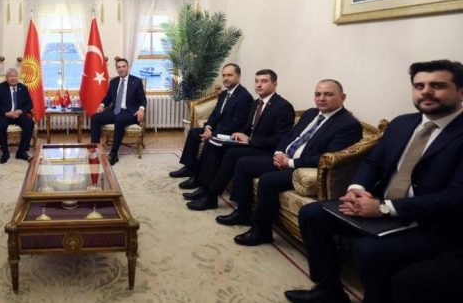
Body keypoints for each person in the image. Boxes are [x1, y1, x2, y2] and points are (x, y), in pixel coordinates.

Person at [285, 60, 463, 303]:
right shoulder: (402, 123)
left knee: (368, 250)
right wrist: (356, 189)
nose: (426, 91)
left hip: (430, 221)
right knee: (312, 214)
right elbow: (372, 163)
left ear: (460, 91)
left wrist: (384, 208)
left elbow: (455, 198)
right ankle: (329, 291)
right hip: (380, 203)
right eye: (419, 86)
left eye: (437, 85)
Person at [216, 79, 363, 247]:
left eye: (328, 94)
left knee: (268, 180)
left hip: (303, 168)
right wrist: (279, 152)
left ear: (342, 97)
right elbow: (289, 136)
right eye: (318, 94)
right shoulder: (311, 113)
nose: (322, 98)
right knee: (243, 163)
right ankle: (243, 212)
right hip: (285, 158)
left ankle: (262, 232)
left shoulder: (348, 125)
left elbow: (327, 157)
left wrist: (291, 163)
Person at [184, 69, 296, 210]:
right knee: (215, 144)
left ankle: (211, 196)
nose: (259, 85)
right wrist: (237, 134)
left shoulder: (283, 107)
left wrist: (250, 140)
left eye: (264, 81)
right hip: (251, 144)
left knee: (231, 154)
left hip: (266, 150)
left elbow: (280, 139)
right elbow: (247, 127)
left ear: (274, 84)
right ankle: (204, 187)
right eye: (256, 81)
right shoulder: (256, 103)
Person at [169, 63, 253, 179]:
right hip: (218, 130)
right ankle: (189, 168)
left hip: (231, 134)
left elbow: (237, 124)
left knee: (210, 140)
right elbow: (214, 115)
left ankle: (199, 176)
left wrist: (213, 133)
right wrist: (208, 127)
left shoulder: (244, 96)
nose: (226, 78)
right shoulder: (224, 94)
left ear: (238, 77)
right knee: (194, 132)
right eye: (224, 75)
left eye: (229, 75)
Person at [90, 58, 147, 165]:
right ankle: (95, 148)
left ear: (128, 67)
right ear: (116, 69)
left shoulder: (136, 81)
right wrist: (102, 105)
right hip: (115, 111)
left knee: (120, 119)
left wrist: (141, 109)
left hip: (130, 113)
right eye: (119, 67)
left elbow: (143, 99)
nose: (121, 69)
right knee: (95, 117)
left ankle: (114, 153)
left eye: (123, 66)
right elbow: (108, 97)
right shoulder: (113, 82)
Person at [0, 67, 34, 164]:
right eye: (10, 76)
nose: (13, 78)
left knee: (29, 123)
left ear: (18, 77)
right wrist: (6, 113)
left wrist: (21, 111)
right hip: (4, 114)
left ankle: (21, 151)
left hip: (18, 114)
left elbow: (30, 104)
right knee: (0, 125)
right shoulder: (0, 87)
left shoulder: (23, 88)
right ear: (7, 78)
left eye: (15, 76)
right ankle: (5, 152)